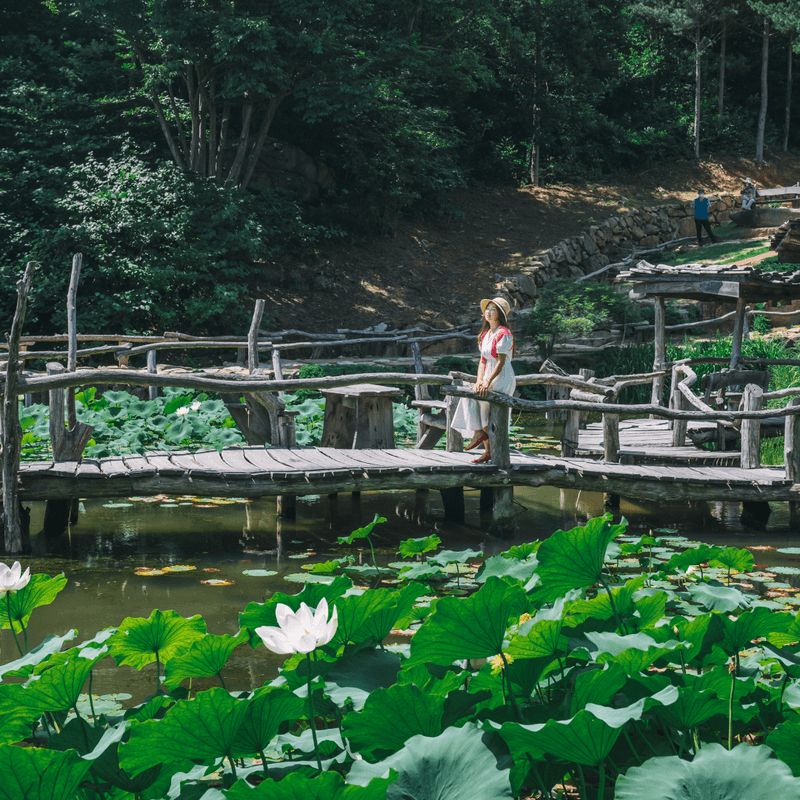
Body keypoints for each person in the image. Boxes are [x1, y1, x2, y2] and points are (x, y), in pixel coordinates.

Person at [451, 297, 516, 464]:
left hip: (502, 376)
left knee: (483, 402)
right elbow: (483, 361)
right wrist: (480, 380)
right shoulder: (485, 334)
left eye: (493, 309)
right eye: (487, 308)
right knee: (472, 395)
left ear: (500, 314)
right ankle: (482, 439)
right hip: (488, 374)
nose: (488, 311)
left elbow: (500, 362)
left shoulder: (505, 334)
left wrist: (487, 381)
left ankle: (483, 438)